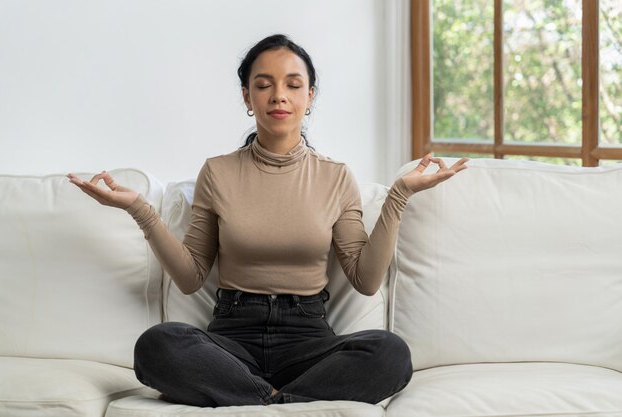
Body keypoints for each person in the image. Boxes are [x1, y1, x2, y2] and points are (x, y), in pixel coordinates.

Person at [68, 33, 468, 407]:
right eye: (264, 84)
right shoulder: (218, 172)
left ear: (310, 96)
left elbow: (365, 280)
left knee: (390, 354)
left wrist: (400, 195)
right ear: (247, 95)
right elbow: (190, 277)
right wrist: (139, 208)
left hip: (308, 339)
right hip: (231, 340)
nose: (279, 95)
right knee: (157, 345)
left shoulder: (335, 176)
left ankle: (258, 403)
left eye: (293, 85)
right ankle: (286, 404)